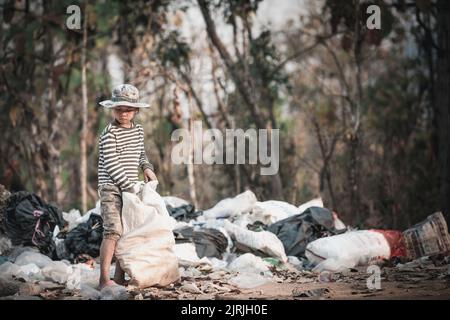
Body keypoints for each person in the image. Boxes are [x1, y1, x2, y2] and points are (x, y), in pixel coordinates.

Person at [97, 84, 157, 289]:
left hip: (130, 187)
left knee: (128, 231)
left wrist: (146, 168)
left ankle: (120, 277)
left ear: (136, 111)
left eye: (128, 110)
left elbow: (141, 153)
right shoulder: (109, 133)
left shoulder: (138, 131)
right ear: (112, 109)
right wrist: (129, 188)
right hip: (111, 188)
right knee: (113, 231)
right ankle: (104, 280)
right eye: (119, 109)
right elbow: (112, 165)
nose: (124, 114)